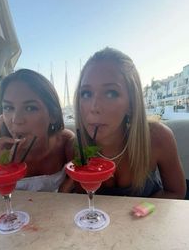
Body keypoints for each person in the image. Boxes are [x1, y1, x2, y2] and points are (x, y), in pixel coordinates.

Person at [0, 69, 74, 216]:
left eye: (30, 108)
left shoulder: (66, 141)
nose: (16, 119)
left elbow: (75, 184)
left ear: (53, 115)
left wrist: (66, 188)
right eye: (8, 108)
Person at [74, 47, 186, 199]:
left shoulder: (157, 137)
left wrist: (139, 213)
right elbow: (83, 204)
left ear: (132, 103)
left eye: (110, 93)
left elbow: (177, 192)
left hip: (148, 220)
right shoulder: (77, 147)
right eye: (86, 93)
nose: (94, 107)